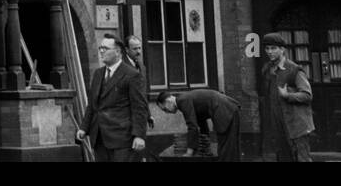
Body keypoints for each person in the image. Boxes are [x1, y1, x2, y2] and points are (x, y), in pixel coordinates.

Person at [76, 33, 147, 161]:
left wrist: (139, 135)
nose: (101, 51)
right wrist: (84, 128)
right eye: (100, 48)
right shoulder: (98, 74)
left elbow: (140, 107)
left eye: (105, 48)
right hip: (99, 138)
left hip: (122, 140)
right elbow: (92, 105)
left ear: (118, 52)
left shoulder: (132, 75)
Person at [259, 32, 314, 162]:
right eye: (267, 48)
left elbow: (307, 95)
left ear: (282, 49)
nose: (270, 52)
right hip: (278, 124)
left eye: (273, 48)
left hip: (296, 124)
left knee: (302, 158)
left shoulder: (294, 70)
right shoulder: (267, 69)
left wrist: (287, 95)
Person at [157, 88, 241, 161]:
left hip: (225, 110)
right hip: (229, 108)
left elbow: (192, 126)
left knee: (226, 150)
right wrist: (206, 141)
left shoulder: (182, 100)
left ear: (168, 101)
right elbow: (201, 120)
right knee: (231, 148)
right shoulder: (184, 98)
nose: (167, 112)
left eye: (165, 109)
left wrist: (189, 152)